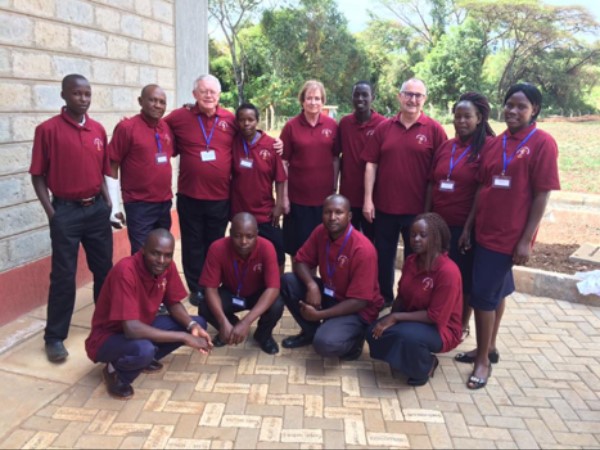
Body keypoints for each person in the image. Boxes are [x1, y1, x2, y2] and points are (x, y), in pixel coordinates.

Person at [456, 83, 560, 390]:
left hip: (508, 236)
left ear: (535, 110)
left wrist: (526, 239)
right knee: (497, 291)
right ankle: (489, 347)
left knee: (482, 297)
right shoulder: (495, 142)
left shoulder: (542, 143)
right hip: (483, 230)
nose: (513, 111)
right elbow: (482, 187)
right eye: (509, 105)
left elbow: (542, 195)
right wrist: (468, 227)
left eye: (521, 106)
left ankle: (482, 362)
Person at [30, 74, 113, 363]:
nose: (84, 99)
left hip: (97, 211)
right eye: (77, 94)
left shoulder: (98, 130)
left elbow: (102, 170)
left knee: (105, 270)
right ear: (64, 95)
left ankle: (105, 325)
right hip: (65, 211)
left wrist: (107, 200)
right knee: (64, 276)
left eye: (88, 93)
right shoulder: (47, 130)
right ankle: (54, 337)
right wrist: (52, 213)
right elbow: (37, 176)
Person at [85, 229, 212, 400]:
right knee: (144, 350)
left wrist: (191, 327)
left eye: (167, 255)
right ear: (143, 249)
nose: (161, 261)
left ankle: (142, 359)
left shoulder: (167, 267)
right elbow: (131, 329)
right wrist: (183, 337)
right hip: (108, 337)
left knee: (198, 323)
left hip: (142, 326)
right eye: (155, 253)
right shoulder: (125, 271)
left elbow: (173, 302)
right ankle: (114, 371)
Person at [362, 78, 447, 308]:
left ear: (425, 100)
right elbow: (371, 164)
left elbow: (442, 170)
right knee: (383, 257)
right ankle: (385, 298)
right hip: (385, 208)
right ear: (399, 97)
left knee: (416, 260)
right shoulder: (384, 128)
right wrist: (368, 200)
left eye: (418, 95)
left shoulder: (435, 130)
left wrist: (433, 212)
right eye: (408, 94)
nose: (412, 99)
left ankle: (410, 301)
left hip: (418, 214)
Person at [425, 92, 495, 341]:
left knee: (462, 279)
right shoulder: (447, 146)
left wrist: (467, 228)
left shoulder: (487, 147)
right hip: (440, 224)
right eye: (457, 116)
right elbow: (433, 183)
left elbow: (481, 190)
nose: (461, 121)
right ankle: (439, 316)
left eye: (467, 116)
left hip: (464, 227)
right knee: (440, 274)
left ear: (479, 119)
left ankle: (461, 324)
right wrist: (427, 218)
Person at [280, 194, 383, 360]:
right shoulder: (321, 231)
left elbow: (360, 301)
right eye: (327, 212)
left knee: (324, 344)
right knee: (287, 281)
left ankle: (354, 342)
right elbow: (300, 261)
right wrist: (312, 286)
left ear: (349, 216)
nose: (332, 217)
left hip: (357, 309)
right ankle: (310, 332)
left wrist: (320, 315)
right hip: (331, 294)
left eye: (338, 212)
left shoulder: (363, 249)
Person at [163, 74, 236, 307]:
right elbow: (154, 122)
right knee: (193, 244)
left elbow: (249, 134)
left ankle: (212, 284)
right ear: (194, 95)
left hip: (220, 196)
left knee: (215, 244)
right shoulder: (179, 117)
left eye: (213, 92)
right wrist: (130, 123)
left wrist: (274, 143)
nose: (208, 95)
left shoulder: (230, 119)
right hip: (190, 195)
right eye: (203, 91)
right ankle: (196, 288)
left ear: (219, 96)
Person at [367, 213, 463, 386]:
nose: (416, 239)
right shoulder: (411, 261)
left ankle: (425, 367)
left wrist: (395, 318)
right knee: (373, 331)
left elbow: (436, 317)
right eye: (413, 235)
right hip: (413, 320)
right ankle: (407, 357)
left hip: (442, 329)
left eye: (423, 235)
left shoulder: (448, 271)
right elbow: (402, 297)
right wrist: (388, 320)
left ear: (435, 238)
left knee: (406, 336)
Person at [198, 213, 284, 354]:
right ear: (230, 233)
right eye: (238, 236)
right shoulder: (217, 248)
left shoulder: (267, 247)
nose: (243, 241)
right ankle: (229, 328)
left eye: (249, 236)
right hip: (231, 293)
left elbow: (273, 288)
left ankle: (263, 336)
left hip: (257, 294)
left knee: (277, 303)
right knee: (204, 305)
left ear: (257, 234)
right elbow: (210, 288)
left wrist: (246, 322)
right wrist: (222, 322)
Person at [106, 84, 174, 254]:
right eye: (152, 100)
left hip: (164, 203)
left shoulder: (165, 127)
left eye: (162, 102)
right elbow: (111, 165)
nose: (157, 105)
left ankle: (159, 282)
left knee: (162, 253)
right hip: (139, 205)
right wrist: (114, 207)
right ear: (140, 101)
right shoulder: (127, 128)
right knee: (142, 255)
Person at [281, 80, 339, 257]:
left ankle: (319, 284)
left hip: (324, 201)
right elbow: (283, 162)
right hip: (298, 200)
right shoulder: (291, 127)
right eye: (309, 98)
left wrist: (334, 186)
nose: (313, 102)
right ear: (302, 101)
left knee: (323, 249)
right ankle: (300, 284)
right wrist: (283, 197)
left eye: (317, 98)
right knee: (298, 249)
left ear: (323, 101)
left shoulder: (332, 126)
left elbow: (336, 158)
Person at [230, 103, 287, 272]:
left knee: (277, 251)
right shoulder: (232, 143)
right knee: (241, 253)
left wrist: (279, 206)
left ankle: (278, 286)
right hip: (240, 212)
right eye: (242, 120)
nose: (246, 124)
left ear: (257, 121)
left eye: (250, 119)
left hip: (265, 213)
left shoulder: (271, 145)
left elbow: (280, 179)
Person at [336, 81, 386, 241]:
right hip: (348, 197)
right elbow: (335, 156)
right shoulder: (344, 124)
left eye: (365, 95)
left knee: (373, 244)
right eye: (356, 94)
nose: (360, 99)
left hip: (374, 199)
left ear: (373, 97)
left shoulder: (383, 125)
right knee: (347, 242)